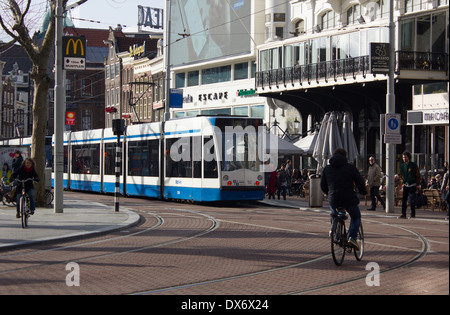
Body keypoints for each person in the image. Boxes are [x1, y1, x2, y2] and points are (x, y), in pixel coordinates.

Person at [320, 148, 367, 250]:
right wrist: (364, 191)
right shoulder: (350, 167)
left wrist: (329, 193)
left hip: (333, 199)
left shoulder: (327, 168)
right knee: (356, 217)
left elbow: (322, 185)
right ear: (345, 156)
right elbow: (360, 181)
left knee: (334, 212)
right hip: (348, 198)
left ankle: (334, 231)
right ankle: (352, 238)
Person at [399, 151, 420, 219]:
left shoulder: (413, 165)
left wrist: (417, 183)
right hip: (406, 184)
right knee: (404, 200)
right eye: (403, 157)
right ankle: (403, 213)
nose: (404, 158)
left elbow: (417, 174)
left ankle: (412, 213)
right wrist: (402, 182)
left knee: (412, 200)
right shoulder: (402, 166)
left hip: (412, 184)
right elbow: (401, 175)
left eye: (405, 157)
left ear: (409, 157)